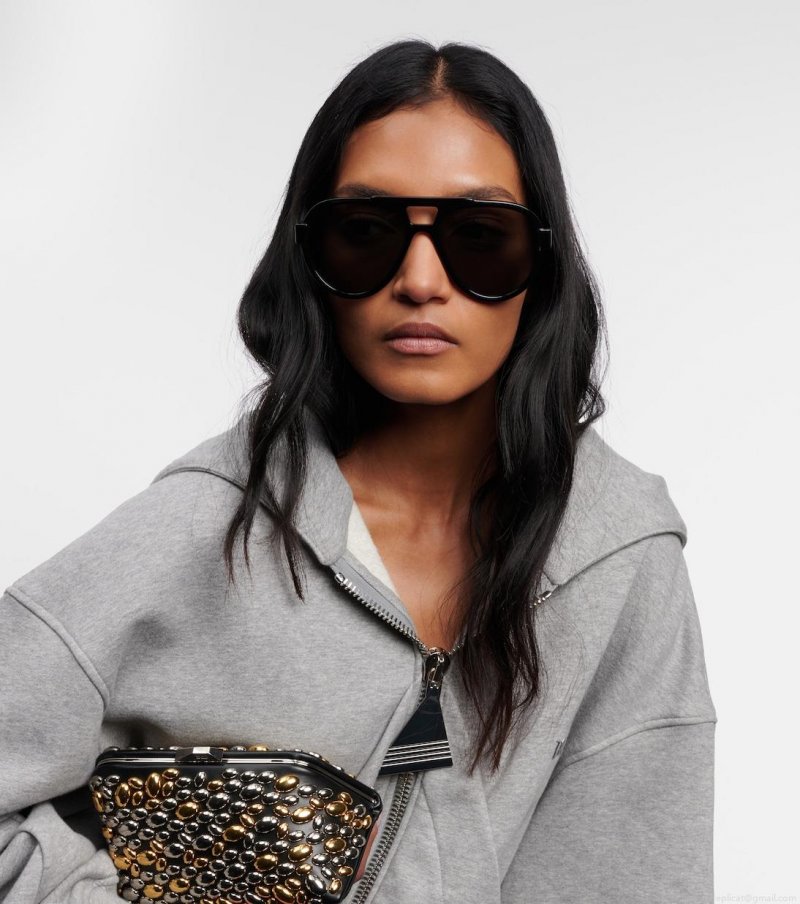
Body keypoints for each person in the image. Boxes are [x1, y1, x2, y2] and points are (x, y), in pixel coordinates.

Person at [0, 39, 717, 904]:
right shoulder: (198, 529)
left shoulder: (621, 559)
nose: (420, 280)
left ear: (542, 263)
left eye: (478, 237)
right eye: (366, 233)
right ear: (310, 259)